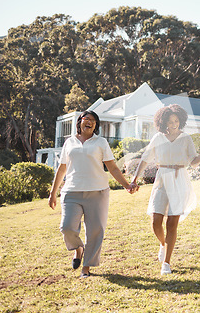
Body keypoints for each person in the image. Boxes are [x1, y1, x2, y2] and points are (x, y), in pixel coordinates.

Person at [48, 110, 138, 278]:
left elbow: (112, 167)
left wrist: (127, 185)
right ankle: (79, 249)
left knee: (95, 230)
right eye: (86, 118)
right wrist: (53, 193)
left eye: (93, 121)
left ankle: (86, 268)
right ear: (80, 122)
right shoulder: (70, 142)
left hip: (97, 192)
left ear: (95, 126)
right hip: (71, 191)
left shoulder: (101, 142)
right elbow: (62, 169)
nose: (89, 122)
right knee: (67, 227)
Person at [131, 104, 200, 275]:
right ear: (163, 122)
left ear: (181, 120)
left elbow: (193, 161)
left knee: (172, 223)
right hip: (162, 178)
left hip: (180, 179)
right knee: (155, 221)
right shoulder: (158, 138)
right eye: (170, 121)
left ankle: (167, 262)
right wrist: (134, 179)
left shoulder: (186, 138)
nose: (174, 124)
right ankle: (163, 244)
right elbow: (144, 159)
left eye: (176, 121)